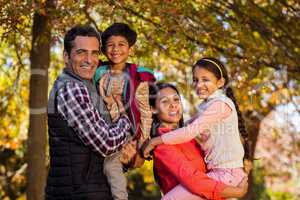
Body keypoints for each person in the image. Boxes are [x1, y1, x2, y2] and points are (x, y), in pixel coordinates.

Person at [144, 58, 252, 199]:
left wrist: (155, 141)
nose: (199, 84)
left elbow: (189, 129)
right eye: (195, 80)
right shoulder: (165, 144)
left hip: (227, 174)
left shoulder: (219, 105)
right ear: (153, 109)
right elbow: (194, 180)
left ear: (220, 82)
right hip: (220, 176)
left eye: (176, 100)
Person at [46, 25, 132, 200]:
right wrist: (126, 120)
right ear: (66, 56)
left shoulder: (88, 86)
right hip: (78, 194)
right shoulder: (71, 88)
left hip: (90, 190)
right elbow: (106, 143)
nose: (89, 59)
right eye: (81, 52)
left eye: (94, 53)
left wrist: (123, 159)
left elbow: (95, 152)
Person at [93, 23, 156, 200]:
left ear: (130, 49)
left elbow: (145, 112)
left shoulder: (138, 77)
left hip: (129, 133)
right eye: (110, 45)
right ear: (104, 50)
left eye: (121, 44)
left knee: (111, 167)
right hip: (104, 130)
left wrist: (142, 145)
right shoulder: (100, 73)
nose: (116, 49)